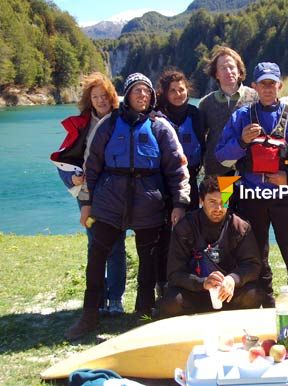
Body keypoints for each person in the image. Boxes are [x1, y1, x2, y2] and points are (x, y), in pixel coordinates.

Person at [64, 73, 190, 340]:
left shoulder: (160, 127)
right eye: (136, 91)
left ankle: (143, 313)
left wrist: (179, 203)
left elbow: (177, 169)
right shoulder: (109, 125)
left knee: (149, 259)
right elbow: (92, 166)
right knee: (97, 255)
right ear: (127, 96)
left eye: (146, 91)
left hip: (148, 202)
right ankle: (90, 314)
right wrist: (87, 203)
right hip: (110, 201)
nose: (142, 95)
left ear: (152, 96)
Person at [215, 62, 288, 307]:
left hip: (283, 198)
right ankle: (266, 304)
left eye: (272, 83)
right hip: (250, 198)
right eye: (263, 84)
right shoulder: (241, 117)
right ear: (254, 86)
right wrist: (241, 141)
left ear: (279, 85)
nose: (268, 88)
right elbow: (222, 157)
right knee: (257, 256)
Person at [50, 72, 127, 317]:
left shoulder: (122, 119)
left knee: (116, 246)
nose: (101, 101)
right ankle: (99, 296)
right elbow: (65, 161)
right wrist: (74, 182)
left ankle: (115, 298)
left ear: (112, 96)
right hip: (90, 198)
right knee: (95, 244)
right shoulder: (82, 126)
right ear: (89, 100)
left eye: (104, 96)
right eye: (95, 97)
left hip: (117, 197)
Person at [158, 176, 265, 317]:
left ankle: (231, 321)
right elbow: (174, 273)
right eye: (212, 202)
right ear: (202, 201)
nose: (219, 208)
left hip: (227, 292)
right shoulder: (185, 227)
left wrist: (233, 279)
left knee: (254, 294)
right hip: (195, 291)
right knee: (171, 302)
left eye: (223, 202)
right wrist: (202, 283)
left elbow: (252, 265)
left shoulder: (240, 226)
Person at [154, 69, 205, 299]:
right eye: (172, 91)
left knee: (189, 232)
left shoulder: (196, 114)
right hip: (162, 184)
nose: (178, 94)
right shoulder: (156, 116)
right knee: (163, 235)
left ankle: (189, 281)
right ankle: (161, 284)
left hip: (190, 181)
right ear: (164, 93)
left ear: (188, 90)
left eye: (181, 89)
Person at [199, 46, 257, 176]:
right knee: (223, 198)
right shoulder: (206, 103)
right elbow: (199, 138)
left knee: (246, 197)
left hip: (249, 170)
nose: (228, 71)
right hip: (217, 171)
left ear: (239, 71)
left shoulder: (255, 97)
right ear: (216, 74)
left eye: (231, 67)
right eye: (223, 68)